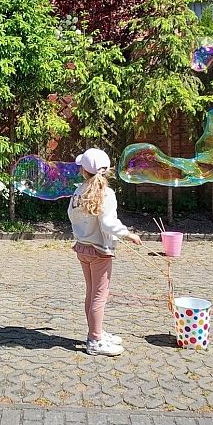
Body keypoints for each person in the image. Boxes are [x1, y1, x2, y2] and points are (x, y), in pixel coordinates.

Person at [67, 148, 142, 357]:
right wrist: (129, 234)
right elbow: (108, 223)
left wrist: (83, 233)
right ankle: (95, 340)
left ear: (84, 171)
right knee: (99, 297)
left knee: (91, 294)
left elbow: (71, 215)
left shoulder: (78, 191)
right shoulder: (106, 193)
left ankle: (96, 331)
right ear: (107, 171)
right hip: (99, 251)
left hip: (82, 248)